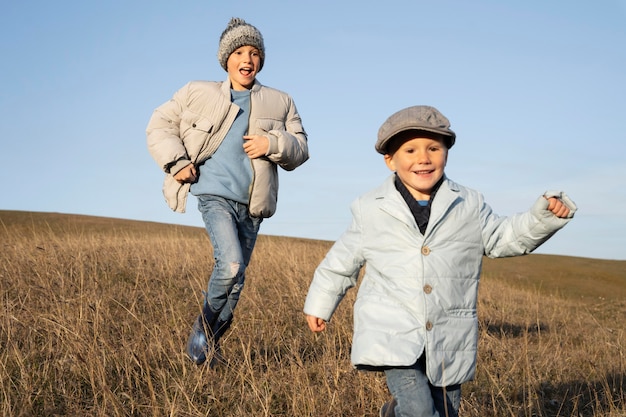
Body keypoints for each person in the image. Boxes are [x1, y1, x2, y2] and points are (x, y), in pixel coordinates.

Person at [303, 105, 576, 417]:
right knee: (419, 411)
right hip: (392, 330)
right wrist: (319, 304)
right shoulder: (370, 208)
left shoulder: (468, 203)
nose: (423, 158)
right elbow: (341, 260)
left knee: (445, 411)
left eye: (434, 147)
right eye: (410, 150)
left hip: (449, 333)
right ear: (390, 160)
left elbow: (503, 238)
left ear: (447, 152)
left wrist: (541, 219)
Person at [147, 17, 309, 366]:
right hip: (214, 195)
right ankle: (201, 333)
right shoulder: (197, 91)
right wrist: (176, 162)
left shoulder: (281, 102)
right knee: (231, 264)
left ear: (261, 59)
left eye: (254, 52)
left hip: (253, 205)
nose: (247, 59)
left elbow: (301, 149)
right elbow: (159, 124)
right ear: (226, 59)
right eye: (239, 52)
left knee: (236, 285)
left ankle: (206, 351)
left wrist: (272, 142)